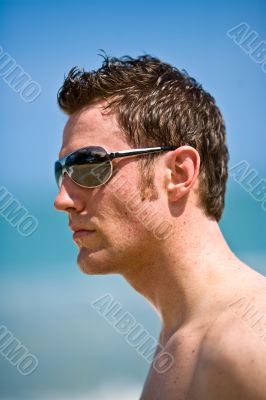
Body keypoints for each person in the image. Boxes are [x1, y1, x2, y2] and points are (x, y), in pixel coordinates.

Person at [54, 54, 266, 399]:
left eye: (89, 165)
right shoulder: (181, 335)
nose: (62, 198)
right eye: (62, 172)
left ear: (179, 173)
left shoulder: (247, 343)